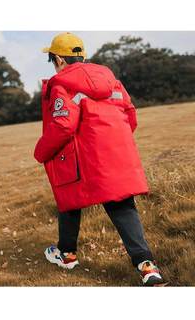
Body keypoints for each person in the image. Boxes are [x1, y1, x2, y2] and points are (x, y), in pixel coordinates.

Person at [34, 32, 164, 286]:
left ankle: (67, 254)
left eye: (52, 60)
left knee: (69, 197)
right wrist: (114, 144)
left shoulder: (61, 84)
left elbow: (63, 125)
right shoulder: (112, 80)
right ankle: (148, 267)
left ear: (59, 59)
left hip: (84, 160)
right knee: (122, 206)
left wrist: (41, 152)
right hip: (116, 154)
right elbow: (130, 114)